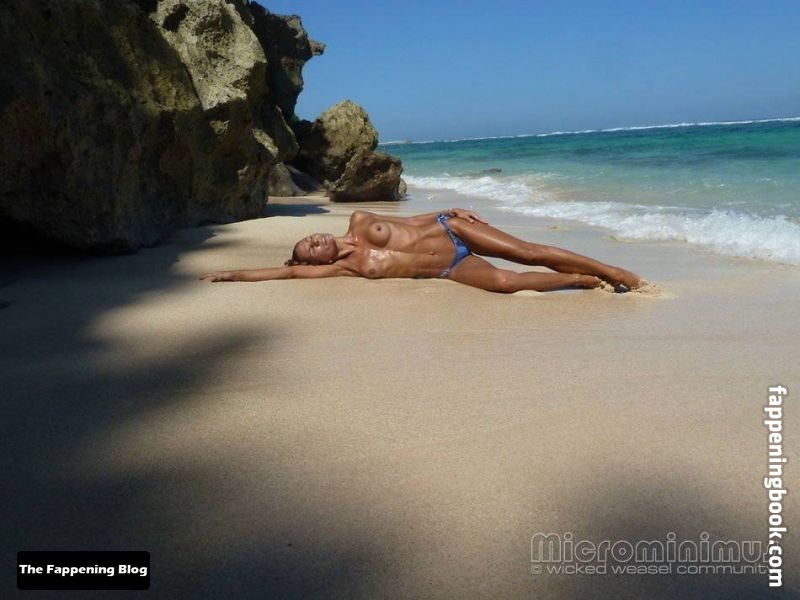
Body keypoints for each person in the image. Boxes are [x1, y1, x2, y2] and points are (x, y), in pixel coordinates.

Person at [200, 208, 642, 293]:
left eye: (310, 236)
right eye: (310, 249)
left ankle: (615, 271)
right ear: (317, 261)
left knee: (527, 252)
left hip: (452, 231)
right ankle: (583, 280)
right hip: (449, 268)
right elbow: (285, 274)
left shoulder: (358, 219)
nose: (315, 240)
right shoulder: (347, 269)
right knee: (506, 282)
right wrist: (230, 274)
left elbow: (411, 221)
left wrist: (449, 211)